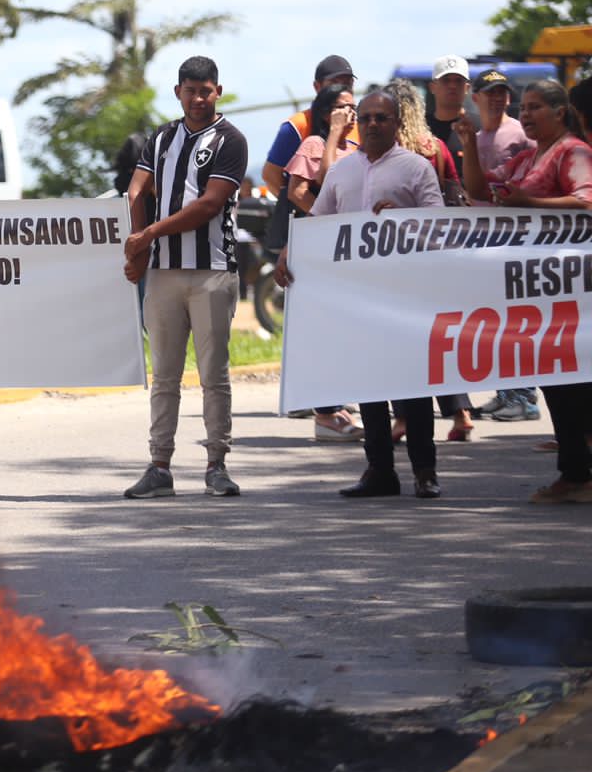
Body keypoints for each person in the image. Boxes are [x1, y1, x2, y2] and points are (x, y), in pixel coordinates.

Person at [275, 90, 444, 499]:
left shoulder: (416, 169)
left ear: (395, 122)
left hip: (404, 295)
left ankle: (425, 471)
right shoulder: (342, 172)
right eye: (365, 118)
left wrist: (405, 220)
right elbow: (318, 224)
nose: (371, 124)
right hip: (357, 296)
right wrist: (288, 250)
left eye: (381, 118)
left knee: (413, 385)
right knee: (367, 383)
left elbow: (441, 226)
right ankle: (380, 471)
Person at [460, 79, 592, 504]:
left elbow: (586, 200)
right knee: (558, 383)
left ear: (560, 112)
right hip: (541, 297)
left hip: (570, 295)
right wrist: (468, 144)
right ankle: (575, 470)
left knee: (573, 385)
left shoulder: (574, 153)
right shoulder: (525, 159)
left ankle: (575, 475)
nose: (528, 114)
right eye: (525, 108)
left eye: (536, 107)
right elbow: (480, 191)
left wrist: (531, 205)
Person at [122, 56, 246, 499]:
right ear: (178, 92)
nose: (197, 98)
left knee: (214, 373)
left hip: (212, 269)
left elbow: (209, 205)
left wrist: (148, 234)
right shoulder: (162, 138)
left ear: (218, 92)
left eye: (205, 90)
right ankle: (159, 465)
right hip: (163, 272)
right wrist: (138, 247)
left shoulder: (230, 139)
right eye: (190, 90)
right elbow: (137, 188)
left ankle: (217, 463)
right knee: (166, 376)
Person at [389, 78, 475, 442]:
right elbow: (455, 195)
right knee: (437, 336)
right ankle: (461, 412)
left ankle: (404, 418)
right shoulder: (435, 147)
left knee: (398, 335)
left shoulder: (383, 150)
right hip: (434, 253)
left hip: (393, 255)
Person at [282, 85, 364, 443]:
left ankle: (335, 405)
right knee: (324, 329)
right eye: (342, 108)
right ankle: (324, 413)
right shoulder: (315, 144)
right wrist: (325, 217)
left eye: (353, 107)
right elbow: (299, 191)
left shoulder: (358, 150)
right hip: (322, 248)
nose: (350, 114)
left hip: (351, 250)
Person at [463, 70, 539, 423]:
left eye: (502, 93)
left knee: (517, 318)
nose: (497, 98)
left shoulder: (520, 134)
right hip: (483, 238)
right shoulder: (476, 136)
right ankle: (504, 390)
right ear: (475, 96)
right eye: (490, 92)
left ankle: (524, 395)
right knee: (495, 318)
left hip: (513, 237)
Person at [261, 54, 357, 252]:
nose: (343, 90)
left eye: (348, 84)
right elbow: (273, 177)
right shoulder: (297, 126)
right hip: (318, 233)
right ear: (317, 87)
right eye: (334, 83)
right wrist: (316, 213)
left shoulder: (359, 124)